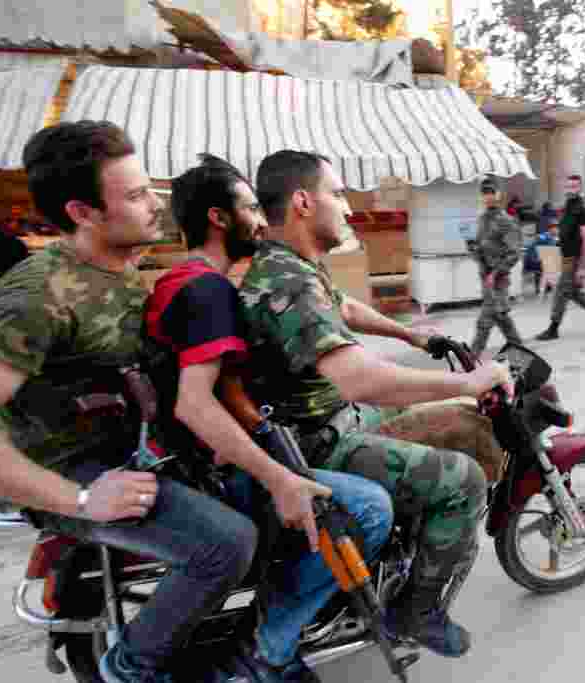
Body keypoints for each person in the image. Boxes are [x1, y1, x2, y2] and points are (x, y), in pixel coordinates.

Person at [0, 121, 260, 683]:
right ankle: (132, 669)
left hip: (128, 450)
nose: (155, 203)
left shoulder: (119, 268)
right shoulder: (38, 294)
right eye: (136, 195)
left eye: (150, 188)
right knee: (226, 543)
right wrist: (83, 497)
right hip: (71, 473)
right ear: (82, 212)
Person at [237, 150, 508, 658]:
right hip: (316, 442)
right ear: (301, 201)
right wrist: (468, 383)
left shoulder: (291, 266)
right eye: (336, 194)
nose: (347, 208)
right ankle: (418, 610)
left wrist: (417, 339)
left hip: (331, 417)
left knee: (440, 421)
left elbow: (347, 308)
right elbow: (359, 379)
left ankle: (399, 558)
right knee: (463, 479)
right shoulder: (286, 279)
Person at [145, 154, 393, 681]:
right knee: (370, 508)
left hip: (198, 453)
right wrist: (276, 471)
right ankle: (269, 648)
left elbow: (336, 309)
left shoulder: (196, 282)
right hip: (213, 467)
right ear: (219, 218)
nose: (262, 221)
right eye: (252, 208)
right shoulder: (206, 290)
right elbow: (197, 402)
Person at [534, 175, 585, 340]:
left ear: (580, 189)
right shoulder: (566, 209)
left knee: (561, 292)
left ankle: (553, 328)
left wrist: (583, 268)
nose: (571, 189)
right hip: (565, 256)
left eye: (575, 186)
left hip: (575, 259)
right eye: (569, 186)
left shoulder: (584, 211)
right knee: (573, 293)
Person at [468, 177, 524, 358]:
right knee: (502, 319)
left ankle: (471, 360)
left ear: (498, 194)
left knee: (484, 322)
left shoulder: (506, 221)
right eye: (484, 193)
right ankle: (522, 356)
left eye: (491, 192)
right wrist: (473, 249)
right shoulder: (482, 219)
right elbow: (480, 248)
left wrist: (497, 272)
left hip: (498, 281)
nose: (488, 197)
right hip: (486, 279)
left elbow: (514, 252)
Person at [524, 221, 558, 295]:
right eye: (554, 228)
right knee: (540, 271)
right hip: (538, 258)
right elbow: (535, 242)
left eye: (557, 228)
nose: (556, 230)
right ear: (550, 229)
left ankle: (547, 286)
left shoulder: (554, 237)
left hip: (547, 257)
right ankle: (541, 287)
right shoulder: (545, 235)